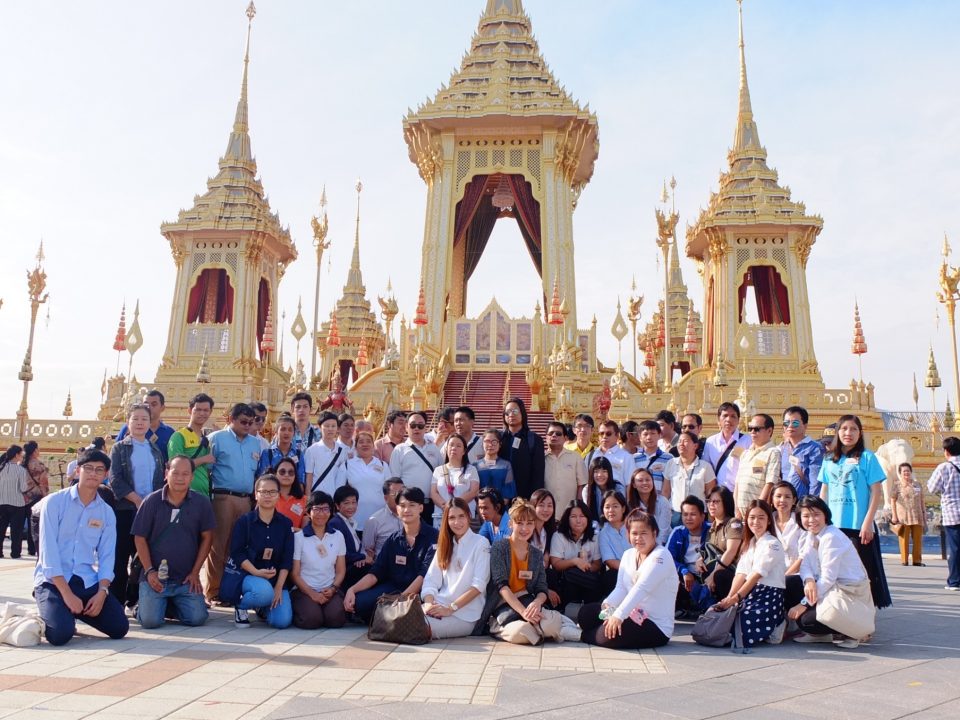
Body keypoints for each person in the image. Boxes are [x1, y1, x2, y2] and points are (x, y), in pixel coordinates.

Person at [34, 449, 129, 645]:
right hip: (53, 581)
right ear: (78, 471)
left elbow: (107, 556)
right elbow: (47, 552)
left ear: (105, 476)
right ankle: (57, 610)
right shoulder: (55, 502)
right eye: (88, 468)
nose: (93, 473)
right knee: (60, 635)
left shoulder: (106, 512)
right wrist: (67, 595)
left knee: (119, 627)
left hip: (85, 580)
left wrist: (102, 592)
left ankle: (72, 612)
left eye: (99, 470)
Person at [131, 455, 215, 629]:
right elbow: (139, 537)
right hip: (155, 577)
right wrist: (149, 571)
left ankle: (166, 606)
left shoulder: (201, 503)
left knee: (197, 618)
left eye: (185, 474)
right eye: (175, 473)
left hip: (184, 578)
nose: (180, 478)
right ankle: (143, 606)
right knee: (150, 622)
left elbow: (208, 537)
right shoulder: (152, 501)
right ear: (166, 473)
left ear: (192, 477)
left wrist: (195, 572)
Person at [817, 414, 891, 608]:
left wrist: (867, 523)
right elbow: (824, 491)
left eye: (853, 429)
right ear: (837, 432)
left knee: (861, 573)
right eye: (844, 429)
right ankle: (839, 615)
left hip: (858, 526)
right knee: (832, 571)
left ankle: (865, 618)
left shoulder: (867, 457)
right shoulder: (829, 459)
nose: (848, 433)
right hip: (833, 526)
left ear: (860, 433)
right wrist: (819, 523)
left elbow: (876, 493)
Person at [578, 510, 678, 649]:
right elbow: (621, 587)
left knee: (605, 636)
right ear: (628, 535)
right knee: (586, 614)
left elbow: (641, 588)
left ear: (654, 534)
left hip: (654, 624)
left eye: (644, 533)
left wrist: (618, 615)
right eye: (634, 533)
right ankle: (593, 630)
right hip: (630, 613)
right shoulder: (628, 554)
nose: (639, 538)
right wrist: (607, 605)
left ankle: (580, 635)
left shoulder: (661, 556)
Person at [343, 487, 438, 622]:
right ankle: (387, 617)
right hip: (394, 587)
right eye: (403, 506)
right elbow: (376, 572)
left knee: (402, 610)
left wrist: (400, 600)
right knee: (360, 603)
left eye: (412, 505)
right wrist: (352, 590)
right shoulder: (394, 539)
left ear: (421, 508)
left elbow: (424, 575)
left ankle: (389, 616)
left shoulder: (433, 536)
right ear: (397, 509)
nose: (407, 510)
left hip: (422, 591)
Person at [480, 499, 568, 643]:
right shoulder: (499, 548)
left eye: (529, 523)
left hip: (528, 601)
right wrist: (523, 612)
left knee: (549, 625)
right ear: (510, 524)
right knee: (520, 632)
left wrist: (537, 603)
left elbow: (541, 587)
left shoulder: (536, 554)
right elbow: (501, 585)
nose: (524, 528)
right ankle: (535, 630)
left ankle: (539, 630)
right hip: (503, 604)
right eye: (519, 523)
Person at [789, 496, 872, 648]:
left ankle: (852, 631)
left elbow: (828, 579)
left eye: (816, 514)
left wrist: (803, 604)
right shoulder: (811, 534)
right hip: (830, 589)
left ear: (825, 515)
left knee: (806, 620)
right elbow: (805, 562)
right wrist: (808, 581)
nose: (811, 520)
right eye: (806, 516)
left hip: (847, 593)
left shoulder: (831, 537)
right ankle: (820, 635)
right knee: (789, 584)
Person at [108, 403, 166, 604]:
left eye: (144, 419)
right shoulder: (120, 448)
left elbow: (159, 481)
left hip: (148, 511)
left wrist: (153, 504)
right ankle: (116, 599)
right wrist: (138, 500)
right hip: (126, 509)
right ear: (128, 422)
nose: (140, 423)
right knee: (121, 555)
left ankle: (135, 598)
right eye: (136, 419)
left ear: (150, 423)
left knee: (142, 558)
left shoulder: (155, 450)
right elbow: (115, 479)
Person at [205, 402, 261, 604]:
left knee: (239, 547)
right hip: (223, 497)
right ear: (231, 419)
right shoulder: (216, 439)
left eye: (251, 422)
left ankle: (233, 590)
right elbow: (206, 470)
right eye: (243, 421)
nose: (248, 425)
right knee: (219, 546)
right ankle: (214, 591)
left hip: (246, 499)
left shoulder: (255, 443)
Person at [716, 499, 786, 650]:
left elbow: (755, 575)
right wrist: (729, 599)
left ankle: (778, 623)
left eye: (761, 518)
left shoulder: (772, 544)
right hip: (750, 592)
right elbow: (741, 574)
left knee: (739, 628)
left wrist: (736, 598)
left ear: (768, 521)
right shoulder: (750, 543)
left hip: (768, 594)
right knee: (725, 619)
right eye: (752, 517)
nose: (756, 522)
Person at [230, 475, 294, 628]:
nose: (268, 496)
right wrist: (256, 572)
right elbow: (237, 553)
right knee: (264, 593)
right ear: (255, 494)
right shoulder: (244, 522)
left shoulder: (285, 524)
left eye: (272, 492)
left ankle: (262, 607)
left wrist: (279, 587)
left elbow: (287, 558)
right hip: (249, 576)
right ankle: (241, 605)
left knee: (282, 622)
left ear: (278, 495)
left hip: (276, 580)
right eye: (263, 491)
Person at [421, 498, 491, 639]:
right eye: (452, 518)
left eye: (461, 516)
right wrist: (428, 604)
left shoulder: (481, 543)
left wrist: (450, 608)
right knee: (401, 619)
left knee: (418, 629)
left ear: (469, 516)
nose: (457, 523)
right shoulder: (445, 545)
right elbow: (431, 581)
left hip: (466, 615)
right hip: (439, 607)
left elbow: (478, 586)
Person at [290, 491, 347, 629]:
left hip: (329, 590)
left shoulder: (338, 536)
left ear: (331, 511)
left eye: (325, 509)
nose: (321, 513)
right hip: (305, 590)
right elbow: (295, 574)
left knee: (336, 620)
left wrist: (333, 588)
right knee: (311, 620)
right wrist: (312, 594)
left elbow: (340, 570)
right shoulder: (299, 538)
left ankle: (322, 610)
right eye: (317, 509)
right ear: (309, 512)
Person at [389, 411, 443, 524]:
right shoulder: (399, 450)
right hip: (408, 505)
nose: (416, 428)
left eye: (420, 425)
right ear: (406, 427)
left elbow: (441, 476)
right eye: (413, 425)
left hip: (430, 504)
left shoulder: (434, 449)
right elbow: (395, 481)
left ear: (425, 428)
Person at [550, 499, 603, 608]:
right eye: (573, 517)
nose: (578, 520)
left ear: (588, 518)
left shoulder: (595, 536)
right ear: (567, 519)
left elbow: (597, 564)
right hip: (567, 582)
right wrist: (575, 562)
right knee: (569, 575)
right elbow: (556, 564)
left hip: (588, 579)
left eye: (582, 516)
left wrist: (584, 569)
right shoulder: (559, 536)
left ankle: (592, 612)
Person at [666, 495, 712, 616]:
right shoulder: (678, 532)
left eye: (693, 514)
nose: (688, 518)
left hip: (705, 573)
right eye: (685, 514)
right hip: (684, 575)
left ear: (702, 516)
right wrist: (684, 571)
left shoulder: (711, 530)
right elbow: (668, 558)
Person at [927, 436, 960, 591]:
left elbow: (932, 488)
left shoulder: (944, 468)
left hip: (952, 514)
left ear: (946, 451)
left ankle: (954, 581)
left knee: (955, 548)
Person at [167, 393, 216, 497]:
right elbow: (176, 467)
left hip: (203, 495)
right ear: (189, 410)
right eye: (198, 410)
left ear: (210, 412)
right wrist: (204, 459)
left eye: (206, 410)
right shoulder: (179, 436)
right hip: (184, 495)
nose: (202, 413)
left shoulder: (205, 439)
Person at [663, 431, 715, 527]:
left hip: (698, 515)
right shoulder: (671, 464)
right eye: (679, 441)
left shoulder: (705, 467)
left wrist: (711, 518)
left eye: (685, 441)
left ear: (695, 446)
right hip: (676, 514)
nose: (681, 444)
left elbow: (710, 495)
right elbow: (666, 492)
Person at [733, 414, 781, 514]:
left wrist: (758, 509)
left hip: (758, 514)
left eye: (757, 429)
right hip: (741, 514)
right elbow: (737, 484)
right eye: (750, 428)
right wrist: (736, 509)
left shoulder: (773, 452)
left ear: (769, 431)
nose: (752, 432)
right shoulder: (745, 453)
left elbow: (770, 484)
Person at [499, 398, 545, 499]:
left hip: (524, 497)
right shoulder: (498, 438)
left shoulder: (534, 440)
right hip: (501, 497)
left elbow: (538, 473)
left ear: (522, 413)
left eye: (515, 411)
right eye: (507, 412)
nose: (511, 414)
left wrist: (534, 499)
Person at [703, 486, 742, 603]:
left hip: (733, 572)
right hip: (717, 568)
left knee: (719, 575)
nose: (711, 505)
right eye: (709, 501)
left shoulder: (733, 523)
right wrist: (700, 559)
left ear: (726, 503)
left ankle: (727, 608)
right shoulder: (712, 526)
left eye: (715, 501)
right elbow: (709, 550)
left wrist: (713, 574)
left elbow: (731, 551)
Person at [702, 402, 752, 493]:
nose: (728, 419)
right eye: (725, 416)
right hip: (718, 493)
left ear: (738, 420)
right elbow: (706, 468)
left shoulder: (748, 441)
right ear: (718, 420)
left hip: (740, 492)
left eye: (733, 416)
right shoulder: (711, 442)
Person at [345, 430, 388, 534]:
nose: (365, 444)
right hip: (354, 520)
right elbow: (340, 491)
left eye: (369, 441)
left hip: (379, 518)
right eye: (361, 442)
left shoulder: (383, 465)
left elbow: (389, 490)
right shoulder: (347, 465)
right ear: (355, 447)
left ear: (373, 446)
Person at [327, 485, 370, 588]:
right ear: (337, 506)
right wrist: (363, 557)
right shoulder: (335, 523)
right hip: (344, 573)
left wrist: (362, 557)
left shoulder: (348, 521)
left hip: (354, 566)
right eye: (346, 503)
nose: (351, 506)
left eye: (354, 502)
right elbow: (340, 554)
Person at [116, 390, 176, 463]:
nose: (149, 408)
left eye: (154, 404)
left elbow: (173, 460)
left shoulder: (169, 433)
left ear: (162, 408)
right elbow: (116, 454)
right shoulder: (128, 428)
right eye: (146, 404)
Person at [544, 421, 587, 518]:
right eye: (551, 433)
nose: (554, 436)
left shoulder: (575, 457)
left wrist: (578, 506)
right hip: (546, 513)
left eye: (558, 434)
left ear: (565, 438)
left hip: (569, 512)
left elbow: (581, 484)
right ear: (546, 437)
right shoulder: (540, 459)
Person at [779, 406, 824, 497]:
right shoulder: (782, 448)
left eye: (795, 423)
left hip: (802, 504)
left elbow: (815, 482)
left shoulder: (814, 448)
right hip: (784, 504)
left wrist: (811, 504)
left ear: (805, 426)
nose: (790, 426)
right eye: (786, 423)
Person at [432, 433, 481, 513]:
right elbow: (433, 493)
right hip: (441, 515)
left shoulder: (471, 470)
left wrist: (454, 506)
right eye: (451, 445)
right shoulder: (438, 470)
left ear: (464, 451)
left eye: (458, 446)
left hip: (464, 514)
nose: (454, 448)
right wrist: (445, 506)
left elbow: (473, 492)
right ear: (446, 448)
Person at [891, 462, 926, 567]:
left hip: (917, 515)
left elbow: (922, 500)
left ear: (911, 472)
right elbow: (892, 500)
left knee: (918, 539)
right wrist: (894, 515)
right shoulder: (897, 485)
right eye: (904, 471)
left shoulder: (917, 484)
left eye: (908, 471)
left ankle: (917, 561)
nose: (906, 473)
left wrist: (924, 514)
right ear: (900, 473)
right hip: (903, 517)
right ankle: (904, 560)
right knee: (903, 539)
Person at [304, 411, 348, 495]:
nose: (330, 429)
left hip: (335, 497)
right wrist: (308, 498)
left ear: (337, 428)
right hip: (317, 496)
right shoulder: (312, 450)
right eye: (327, 426)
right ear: (320, 427)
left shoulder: (343, 450)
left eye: (333, 426)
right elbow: (309, 476)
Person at [362, 478, 404, 562]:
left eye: (402, 493)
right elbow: (368, 551)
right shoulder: (374, 520)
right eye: (395, 494)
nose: (400, 497)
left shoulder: (411, 516)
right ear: (385, 498)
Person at [258, 415, 306, 488]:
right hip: (272, 495)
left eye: (290, 430)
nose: (286, 433)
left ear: (294, 433)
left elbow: (301, 481)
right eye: (283, 429)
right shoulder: (267, 453)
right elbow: (263, 478)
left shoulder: (298, 454)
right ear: (276, 432)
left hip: (292, 496)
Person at [626, 468, 671, 545]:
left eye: (648, 480)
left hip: (661, 545)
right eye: (640, 480)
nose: (645, 483)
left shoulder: (663, 502)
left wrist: (651, 550)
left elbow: (663, 532)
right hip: (639, 544)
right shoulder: (630, 505)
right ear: (633, 484)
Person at [0, 446, 29, 559]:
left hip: (1, 502)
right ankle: (15, 552)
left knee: (1, 528)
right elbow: (23, 488)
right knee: (16, 530)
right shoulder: (20, 470)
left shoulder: (1, 468)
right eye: (21, 454)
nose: (22, 457)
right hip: (17, 503)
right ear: (16, 455)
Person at [21, 441, 49, 557]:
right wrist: (46, 496)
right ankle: (32, 548)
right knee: (35, 524)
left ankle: (17, 548)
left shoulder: (20, 464)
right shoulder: (39, 465)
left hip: (23, 497)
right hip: (36, 497)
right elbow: (43, 483)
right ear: (34, 451)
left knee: (19, 524)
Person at [598, 490, 630, 593]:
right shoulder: (603, 533)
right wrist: (632, 570)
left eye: (615, 506)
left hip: (643, 567)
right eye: (607, 507)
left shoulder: (633, 525)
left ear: (623, 508)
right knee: (610, 576)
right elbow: (610, 561)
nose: (611, 510)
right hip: (621, 570)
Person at [771, 481, 803, 574]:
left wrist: (785, 577)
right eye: (778, 496)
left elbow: (804, 556)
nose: (782, 500)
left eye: (787, 497)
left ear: (794, 500)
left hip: (795, 575)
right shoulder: (767, 522)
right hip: (771, 574)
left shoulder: (801, 523)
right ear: (772, 499)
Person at [474, 430, 516, 501]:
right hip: (480, 508)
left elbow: (508, 492)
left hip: (501, 508)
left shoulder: (506, 465)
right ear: (482, 444)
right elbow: (474, 491)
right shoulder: (475, 465)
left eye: (494, 441)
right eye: (487, 441)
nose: (490, 445)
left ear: (500, 444)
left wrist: (497, 508)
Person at [633, 420, 673, 492]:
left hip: (660, 501)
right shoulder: (633, 458)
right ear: (640, 437)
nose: (649, 437)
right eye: (645, 434)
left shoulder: (669, 458)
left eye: (653, 433)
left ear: (659, 435)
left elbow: (670, 483)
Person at [593, 420, 632, 491]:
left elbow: (629, 484)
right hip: (595, 498)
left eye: (608, 433)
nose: (604, 436)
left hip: (617, 498)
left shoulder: (626, 457)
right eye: (601, 433)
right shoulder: (592, 455)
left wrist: (629, 502)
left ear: (617, 435)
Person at [582, 456, 621, 525]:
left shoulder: (618, 488)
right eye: (596, 472)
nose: (600, 475)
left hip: (614, 525)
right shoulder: (587, 490)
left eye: (604, 471)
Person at [273, 458, 307, 529]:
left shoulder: (304, 500)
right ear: (275, 474)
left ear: (295, 476)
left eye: (291, 472)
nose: (286, 475)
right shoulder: (267, 497)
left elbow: (305, 531)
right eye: (282, 472)